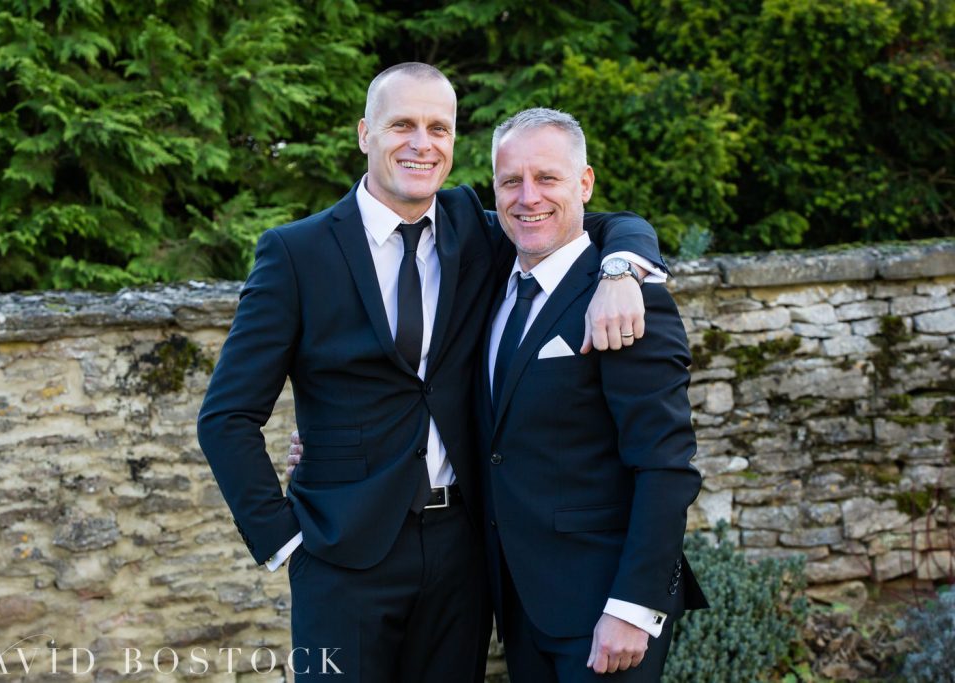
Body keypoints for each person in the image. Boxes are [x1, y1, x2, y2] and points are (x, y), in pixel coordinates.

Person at [197, 63, 666, 683]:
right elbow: (227, 417)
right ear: (366, 133)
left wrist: (624, 270)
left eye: (438, 128)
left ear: (452, 144)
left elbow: (588, 222)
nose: (422, 143)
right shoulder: (295, 253)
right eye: (402, 125)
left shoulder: (475, 226)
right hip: (342, 558)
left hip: (461, 552)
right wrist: (285, 541)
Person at [478, 108, 707, 682]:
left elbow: (666, 464)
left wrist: (635, 606)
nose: (528, 197)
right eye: (511, 181)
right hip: (520, 606)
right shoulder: (491, 283)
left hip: (605, 609)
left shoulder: (628, 300)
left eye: (548, 178)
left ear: (584, 183)